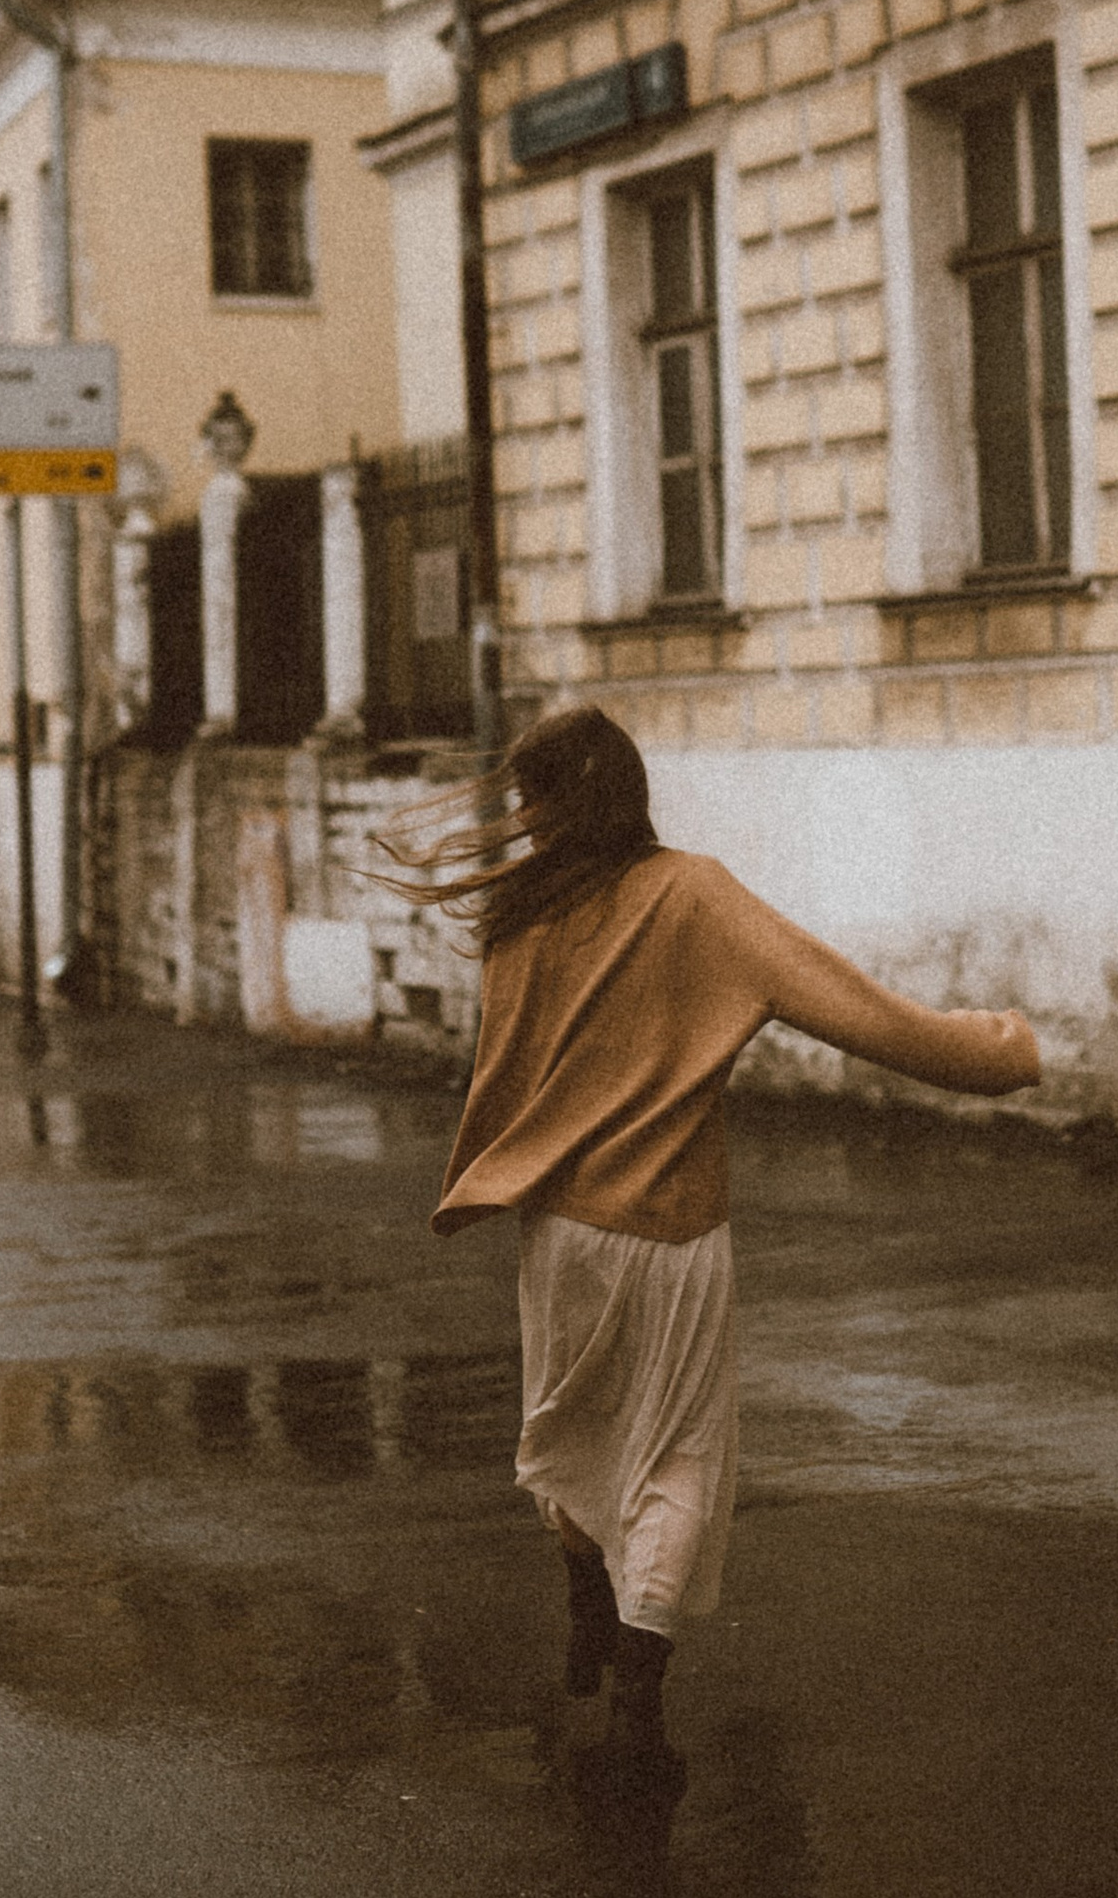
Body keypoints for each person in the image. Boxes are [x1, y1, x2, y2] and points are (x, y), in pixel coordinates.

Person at [386, 704, 1039, 1794]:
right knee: (676, 1459)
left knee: (570, 1425)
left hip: (556, 1230)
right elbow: (857, 1009)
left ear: (544, 807)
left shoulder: (521, 917)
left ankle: (585, 1597)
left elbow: (504, 1074)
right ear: (629, 790)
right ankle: (637, 1711)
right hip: (670, 1230)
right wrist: (1001, 1051)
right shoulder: (693, 894)